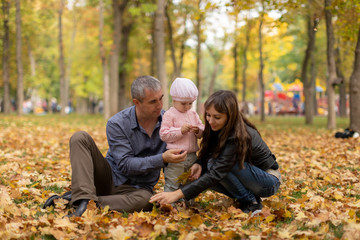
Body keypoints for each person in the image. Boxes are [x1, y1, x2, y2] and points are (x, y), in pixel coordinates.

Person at [43, 76, 187, 217]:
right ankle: (84, 197)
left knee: (147, 201)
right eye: (153, 102)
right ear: (137, 102)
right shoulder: (117, 123)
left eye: (161, 98)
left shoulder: (170, 123)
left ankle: (80, 201)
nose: (160, 105)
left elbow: (183, 155)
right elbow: (125, 165)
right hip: (109, 178)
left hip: (139, 189)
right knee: (80, 137)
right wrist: (162, 158)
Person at [150, 90, 281, 215]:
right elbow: (208, 151)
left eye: (217, 117)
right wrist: (199, 163)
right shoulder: (216, 126)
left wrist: (176, 194)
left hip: (267, 181)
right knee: (207, 167)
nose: (210, 121)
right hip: (248, 175)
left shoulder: (238, 135)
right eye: (208, 115)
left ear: (230, 116)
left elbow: (218, 172)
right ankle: (250, 198)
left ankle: (250, 202)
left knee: (214, 165)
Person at [160, 78, 204, 194]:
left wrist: (198, 130)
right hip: (176, 156)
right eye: (183, 103)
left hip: (192, 156)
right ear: (174, 100)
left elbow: (202, 131)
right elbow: (164, 134)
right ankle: (170, 203)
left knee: (190, 181)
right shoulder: (170, 115)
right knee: (173, 180)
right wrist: (180, 131)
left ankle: (186, 202)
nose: (187, 107)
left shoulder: (193, 114)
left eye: (190, 103)